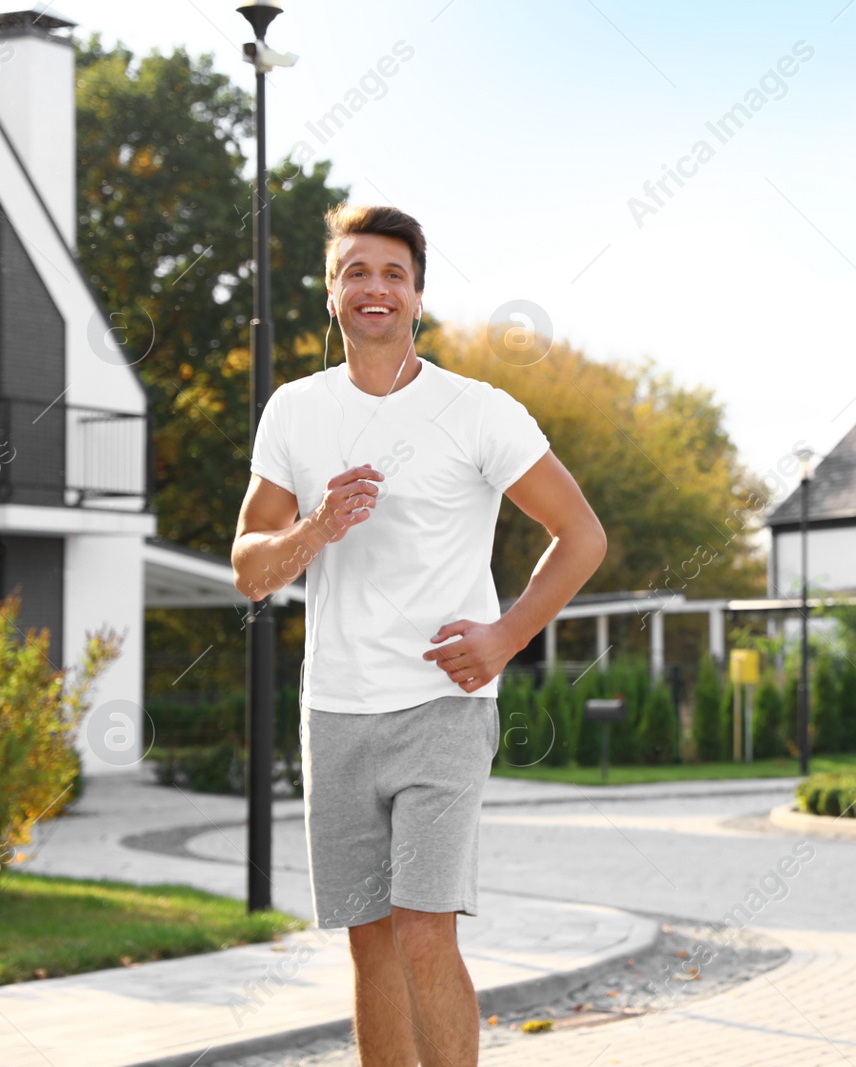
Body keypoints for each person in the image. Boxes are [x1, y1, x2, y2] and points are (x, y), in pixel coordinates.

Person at [231, 203, 605, 1066]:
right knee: (369, 942)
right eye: (357, 271)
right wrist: (316, 528)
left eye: (393, 274)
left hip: (442, 706)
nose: (376, 287)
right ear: (332, 295)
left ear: (418, 298)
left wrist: (508, 636)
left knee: (423, 930)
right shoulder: (293, 412)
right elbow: (251, 568)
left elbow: (582, 535)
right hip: (336, 711)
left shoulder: (478, 411)